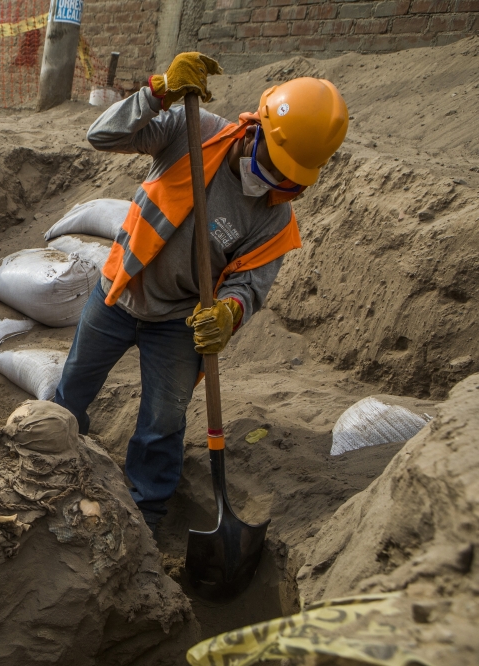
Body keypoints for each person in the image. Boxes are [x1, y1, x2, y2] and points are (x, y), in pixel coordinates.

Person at [54, 52, 348, 533]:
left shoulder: (275, 216)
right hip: (119, 290)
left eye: (291, 182)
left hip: (178, 319)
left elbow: (250, 282)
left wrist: (229, 313)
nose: (274, 185)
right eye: (273, 168)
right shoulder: (194, 133)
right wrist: (158, 93)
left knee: (162, 422)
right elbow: (102, 135)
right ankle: (48, 463)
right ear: (255, 129)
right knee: (72, 388)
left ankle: (144, 514)